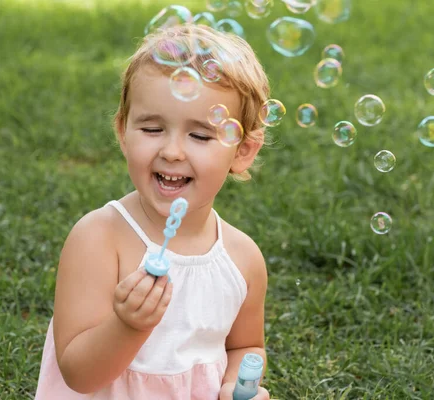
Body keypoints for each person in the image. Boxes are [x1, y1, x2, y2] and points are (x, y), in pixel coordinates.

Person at [35, 23, 272, 400]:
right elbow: (78, 374)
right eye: (151, 129)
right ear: (122, 131)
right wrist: (127, 325)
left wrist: (236, 387)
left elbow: (244, 347)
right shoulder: (99, 238)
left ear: (242, 151)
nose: (173, 151)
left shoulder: (242, 259)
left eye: (199, 135)